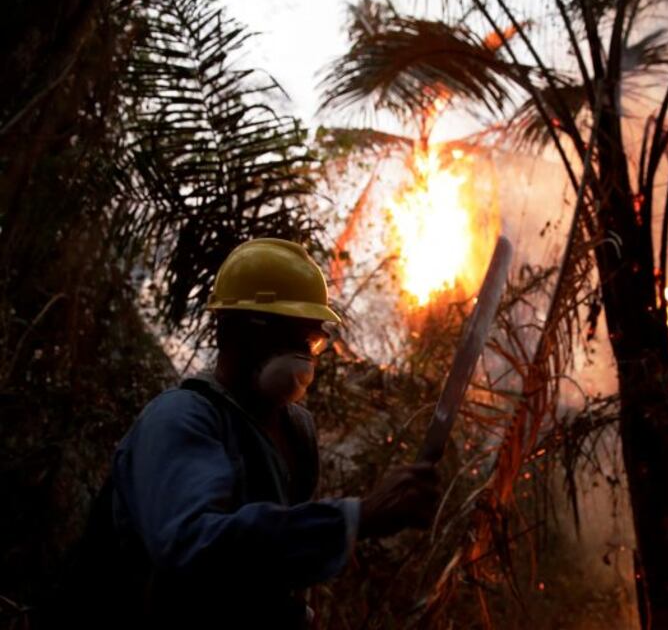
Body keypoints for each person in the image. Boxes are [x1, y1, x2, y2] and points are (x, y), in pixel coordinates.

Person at [73, 238, 440, 628]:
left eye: (311, 341)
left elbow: (261, 572)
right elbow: (198, 551)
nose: (303, 355)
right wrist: (355, 518)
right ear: (233, 331)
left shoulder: (296, 431)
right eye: (290, 337)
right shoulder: (178, 419)